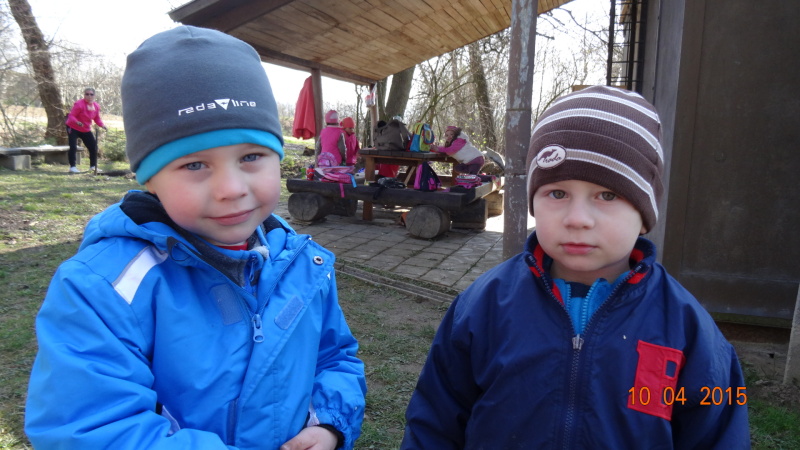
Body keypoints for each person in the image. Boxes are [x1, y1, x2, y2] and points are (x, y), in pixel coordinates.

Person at [25, 26, 367, 450]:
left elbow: (335, 356)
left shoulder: (302, 265)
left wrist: (329, 424)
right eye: (194, 165)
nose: (231, 189)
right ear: (150, 179)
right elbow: (91, 428)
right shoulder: (103, 289)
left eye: (251, 156)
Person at [402, 85, 750, 449]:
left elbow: (719, 434)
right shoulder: (482, 306)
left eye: (608, 195)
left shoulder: (688, 329)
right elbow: (435, 421)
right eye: (557, 193)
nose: (577, 218)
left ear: (645, 214)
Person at [64, 87, 107, 173]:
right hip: (73, 127)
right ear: (84, 95)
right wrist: (77, 122)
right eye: (87, 94)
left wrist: (102, 125)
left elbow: (97, 118)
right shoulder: (79, 104)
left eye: (91, 94)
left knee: (93, 146)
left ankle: (93, 166)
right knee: (73, 146)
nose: (89, 96)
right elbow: (71, 116)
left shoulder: (96, 106)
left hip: (85, 128)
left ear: (94, 96)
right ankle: (72, 167)